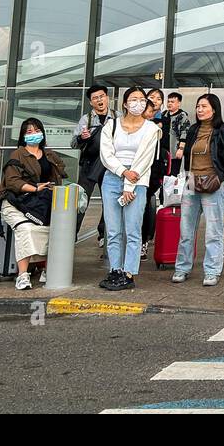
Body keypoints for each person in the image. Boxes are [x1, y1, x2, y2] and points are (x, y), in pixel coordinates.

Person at [97, 86, 160, 292]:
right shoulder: (111, 125)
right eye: (133, 99)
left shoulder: (151, 129)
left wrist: (129, 184)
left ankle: (129, 272)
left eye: (142, 99)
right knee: (113, 230)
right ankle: (115, 269)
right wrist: (123, 173)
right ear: (125, 103)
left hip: (138, 180)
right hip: (112, 178)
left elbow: (145, 159)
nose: (138, 103)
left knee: (133, 230)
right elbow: (106, 155)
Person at [172, 93, 224, 287]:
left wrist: (221, 177)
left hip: (214, 184)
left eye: (204, 106)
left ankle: (212, 271)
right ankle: (182, 267)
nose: (200, 110)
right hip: (192, 181)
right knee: (186, 229)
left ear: (214, 109)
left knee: (213, 231)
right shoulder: (193, 130)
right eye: (198, 106)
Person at [0, 118, 67, 291]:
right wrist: (35, 188)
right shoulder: (18, 154)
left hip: (40, 204)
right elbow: (12, 182)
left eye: (36, 130)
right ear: (22, 136)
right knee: (26, 229)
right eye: (29, 132)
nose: (33, 134)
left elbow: (59, 175)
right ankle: (22, 275)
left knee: (53, 230)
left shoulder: (49, 154)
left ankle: (46, 269)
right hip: (16, 203)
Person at [72, 84, 115, 249]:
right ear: (91, 102)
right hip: (89, 165)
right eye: (96, 98)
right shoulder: (86, 119)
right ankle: (72, 233)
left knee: (109, 201)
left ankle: (104, 234)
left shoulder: (117, 117)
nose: (100, 100)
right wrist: (83, 138)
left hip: (110, 166)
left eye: (102, 96)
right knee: (81, 200)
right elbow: (73, 143)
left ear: (107, 97)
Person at [140, 87, 169, 249]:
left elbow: (163, 145)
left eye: (158, 98)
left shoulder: (164, 121)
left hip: (153, 169)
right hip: (134, 171)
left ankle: (144, 240)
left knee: (145, 205)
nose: (155, 101)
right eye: (152, 97)